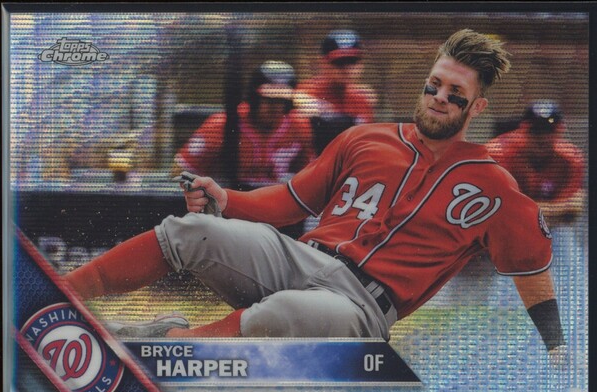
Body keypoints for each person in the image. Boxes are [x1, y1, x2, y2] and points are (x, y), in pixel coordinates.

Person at [64, 29, 566, 365]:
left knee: (281, 313)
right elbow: (288, 203)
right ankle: (55, 297)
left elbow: (531, 269)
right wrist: (226, 199)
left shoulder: (494, 182)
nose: (439, 98)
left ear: (476, 107)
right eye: (434, 85)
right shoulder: (365, 137)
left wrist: (557, 349)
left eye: (455, 93)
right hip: (302, 257)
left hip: (362, 306)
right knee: (190, 230)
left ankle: (165, 345)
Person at [172, 60, 315, 190]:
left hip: (273, 201)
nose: (274, 107)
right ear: (254, 97)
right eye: (268, 99)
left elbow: (307, 173)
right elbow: (179, 171)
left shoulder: (299, 126)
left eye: (280, 100)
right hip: (227, 200)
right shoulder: (221, 125)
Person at [486, 100, 586, 224]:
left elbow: (573, 211)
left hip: (551, 225)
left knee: (565, 234)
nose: (542, 138)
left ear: (559, 131)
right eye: (535, 131)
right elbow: (502, 206)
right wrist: (557, 209)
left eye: (549, 130)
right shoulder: (498, 152)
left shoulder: (571, 159)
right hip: (506, 224)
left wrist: (524, 207)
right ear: (522, 130)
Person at [295, 29, 377, 153]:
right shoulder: (307, 92)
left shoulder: (362, 99)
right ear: (323, 63)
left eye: (352, 62)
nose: (346, 69)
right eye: (339, 62)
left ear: (361, 64)